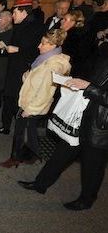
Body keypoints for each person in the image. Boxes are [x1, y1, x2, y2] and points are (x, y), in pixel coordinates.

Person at [18, 57, 108, 211]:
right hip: (83, 115)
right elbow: (96, 79)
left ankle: (86, 200)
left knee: (93, 166)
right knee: (61, 155)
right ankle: (40, 184)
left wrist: (88, 87)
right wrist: (78, 83)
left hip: (101, 127)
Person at [0, 29, 71, 168]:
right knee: (30, 130)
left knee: (20, 132)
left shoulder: (52, 65)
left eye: (43, 43)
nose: (39, 46)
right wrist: (28, 75)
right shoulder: (45, 58)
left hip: (32, 104)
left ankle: (15, 157)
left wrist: (30, 109)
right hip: (31, 100)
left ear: (53, 46)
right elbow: (35, 75)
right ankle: (34, 154)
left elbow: (45, 91)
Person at [0, 0, 45, 135]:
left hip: (23, 70)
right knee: (8, 98)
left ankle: (21, 130)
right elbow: (13, 46)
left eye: (14, 13)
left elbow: (38, 51)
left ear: (23, 12)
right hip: (13, 67)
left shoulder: (36, 27)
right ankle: (6, 126)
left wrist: (18, 50)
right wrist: (4, 50)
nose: (12, 16)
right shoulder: (19, 25)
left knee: (18, 100)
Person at [60, 10, 90, 78]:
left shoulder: (73, 37)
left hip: (73, 73)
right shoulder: (74, 35)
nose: (61, 21)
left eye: (65, 19)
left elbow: (70, 58)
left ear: (73, 22)